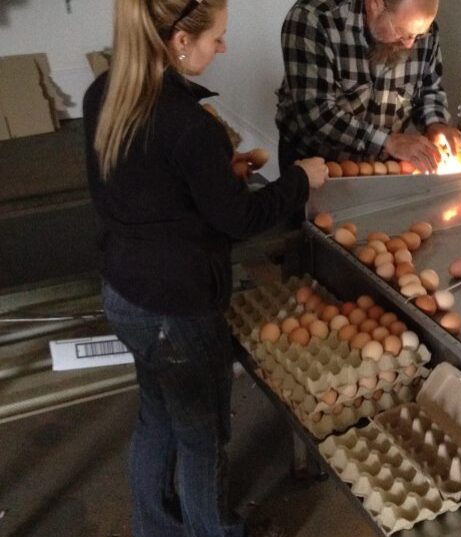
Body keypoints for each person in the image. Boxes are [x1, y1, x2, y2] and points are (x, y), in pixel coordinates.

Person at [82, 1, 328, 536]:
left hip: (125, 291)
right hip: (175, 308)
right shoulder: (188, 124)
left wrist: (218, 174)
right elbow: (240, 221)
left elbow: (142, 185)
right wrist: (302, 178)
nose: (223, 48)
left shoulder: (105, 93)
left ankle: (154, 525)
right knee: (200, 434)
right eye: (217, 37)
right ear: (179, 41)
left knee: (156, 415)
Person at [275, 0, 461, 174]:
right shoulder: (313, 20)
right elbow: (317, 117)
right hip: (314, 164)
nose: (411, 44)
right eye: (402, 33)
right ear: (374, 4)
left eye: (418, 35)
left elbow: (429, 90)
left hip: (383, 164)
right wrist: (390, 141)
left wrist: (436, 124)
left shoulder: (420, 30)